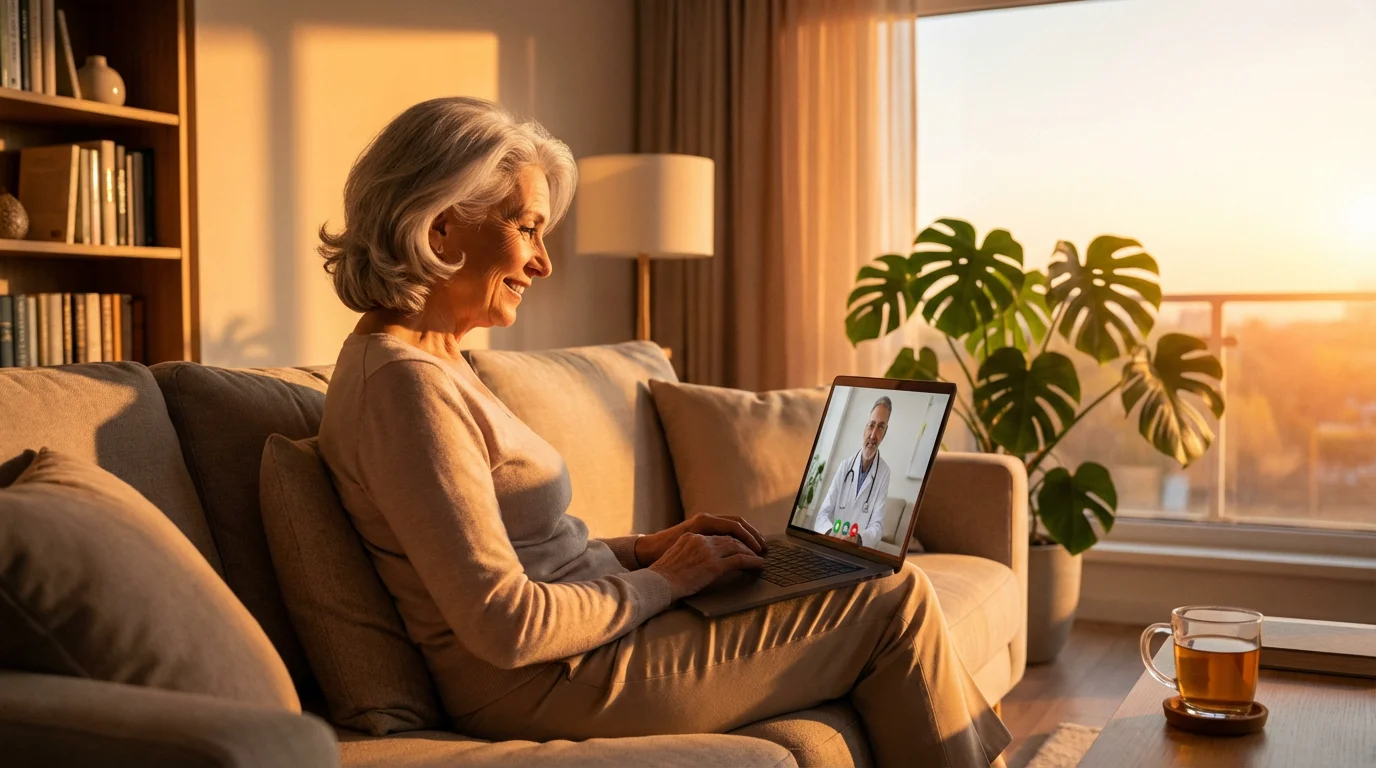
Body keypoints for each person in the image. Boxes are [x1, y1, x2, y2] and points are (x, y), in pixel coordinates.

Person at [315, 96, 1009, 767]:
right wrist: (667, 581)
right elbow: (508, 623)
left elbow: (529, 557)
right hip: (552, 681)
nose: (543, 262)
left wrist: (649, 549)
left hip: (592, 645)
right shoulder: (403, 388)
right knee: (894, 597)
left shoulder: (440, 364)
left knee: (845, 570)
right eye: (526, 228)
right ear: (440, 228)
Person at [812, 396, 894, 548]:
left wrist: (857, 539)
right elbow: (822, 515)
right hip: (831, 546)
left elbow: (877, 527)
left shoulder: (884, 473)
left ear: (885, 432)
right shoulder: (845, 466)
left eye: (881, 427)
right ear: (865, 427)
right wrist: (832, 534)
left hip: (856, 552)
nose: (873, 435)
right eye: (871, 425)